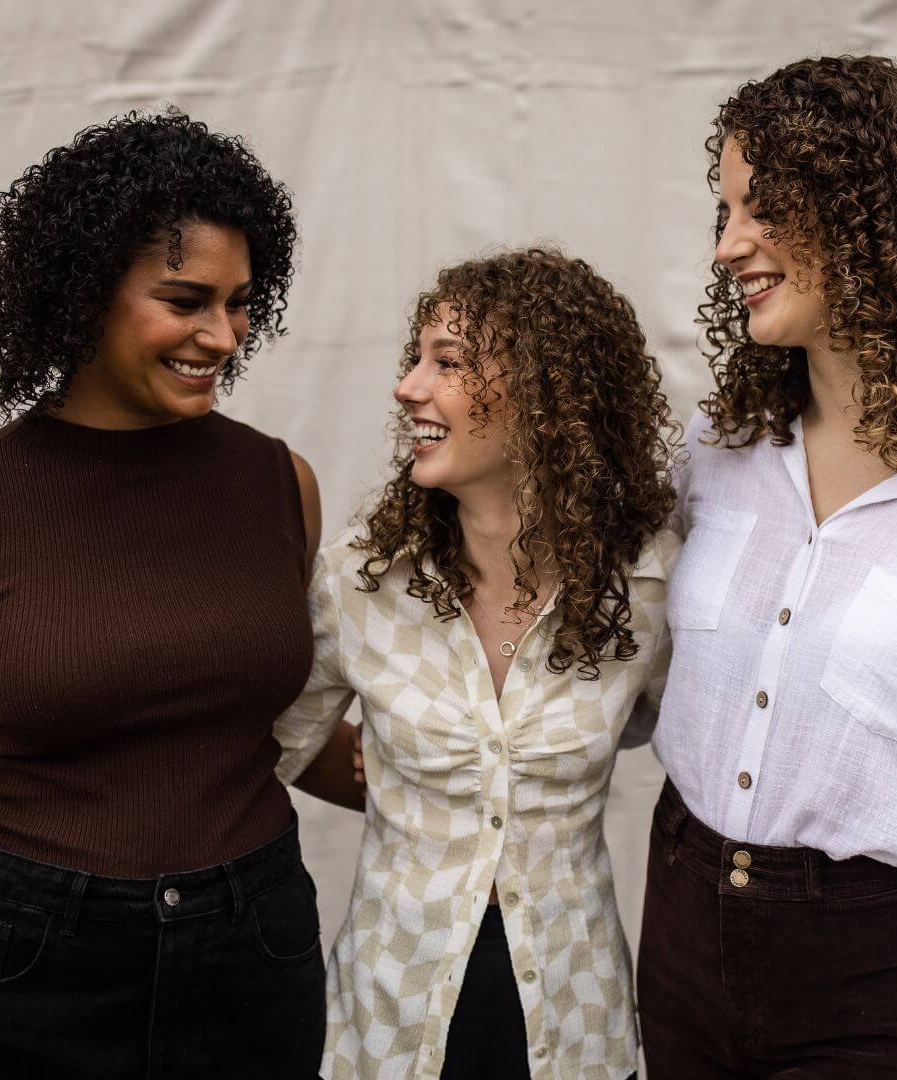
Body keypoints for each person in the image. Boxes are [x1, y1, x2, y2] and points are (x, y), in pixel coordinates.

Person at [637, 55, 897, 1079]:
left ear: (878, 211)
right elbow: (643, 672)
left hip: (878, 979)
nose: (728, 245)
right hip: (681, 925)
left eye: (763, 207)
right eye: (724, 210)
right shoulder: (718, 450)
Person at [0, 111, 346, 1079]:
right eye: (185, 300)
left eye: (240, 302)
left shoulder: (277, 483)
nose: (222, 336)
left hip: (253, 943)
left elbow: (297, 728)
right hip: (27, 964)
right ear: (85, 291)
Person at [276, 248, 680, 1080]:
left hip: (574, 1024)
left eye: (447, 363)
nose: (408, 387)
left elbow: (715, 753)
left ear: (545, 397)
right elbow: (269, 745)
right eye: (414, 359)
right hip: (391, 1018)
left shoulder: (646, 585)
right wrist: (404, 783)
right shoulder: (362, 582)